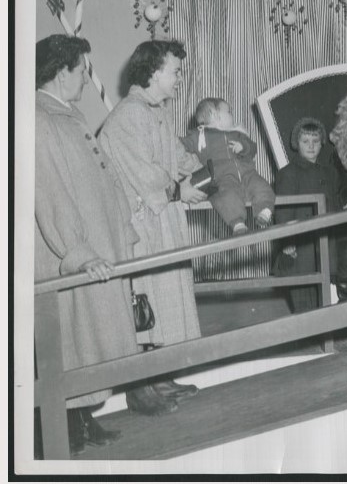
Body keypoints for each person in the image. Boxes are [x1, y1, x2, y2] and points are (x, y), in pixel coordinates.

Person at [34, 35, 140, 456]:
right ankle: (64, 426)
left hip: (98, 246)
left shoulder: (64, 112)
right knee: (74, 339)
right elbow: (49, 192)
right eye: (81, 70)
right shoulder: (37, 118)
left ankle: (80, 417)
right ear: (63, 72)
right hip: (71, 255)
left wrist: (124, 230)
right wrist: (77, 252)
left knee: (89, 339)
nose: (84, 77)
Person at [98, 40, 205, 416]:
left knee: (165, 300)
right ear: (154, 72)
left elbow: (179, 158)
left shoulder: (154, 112)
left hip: (163, 221)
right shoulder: (129, 115)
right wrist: (180, 189)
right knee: (144, 303)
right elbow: (145, 174)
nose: (179, 78)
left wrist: (217, 165)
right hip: (141, 227)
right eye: (175, 71)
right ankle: (140, 391)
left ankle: (160, 378)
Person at [273, 117, 342, 312]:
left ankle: (322, 334)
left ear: (322, 143)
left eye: (315, 141)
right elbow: (284, 210)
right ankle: (307, 337)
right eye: (305, 142)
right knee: (303, 295)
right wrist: (287, 240)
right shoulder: (288, 173)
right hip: (301, 245)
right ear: (297, 144)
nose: (311, 146)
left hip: (325, 242)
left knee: (323, 293)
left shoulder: (330, 172)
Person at [181, 97, 275, 235]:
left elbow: (253, 147)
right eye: (229, 112)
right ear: (216, 116)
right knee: (225, 195)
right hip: (223, 177)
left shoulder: (237, 133)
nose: (232, 115)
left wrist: (244, 146)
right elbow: (181, 144)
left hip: (248, 173)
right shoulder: (199, 136)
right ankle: (237, 224)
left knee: (261, 186)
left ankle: (265, 211)